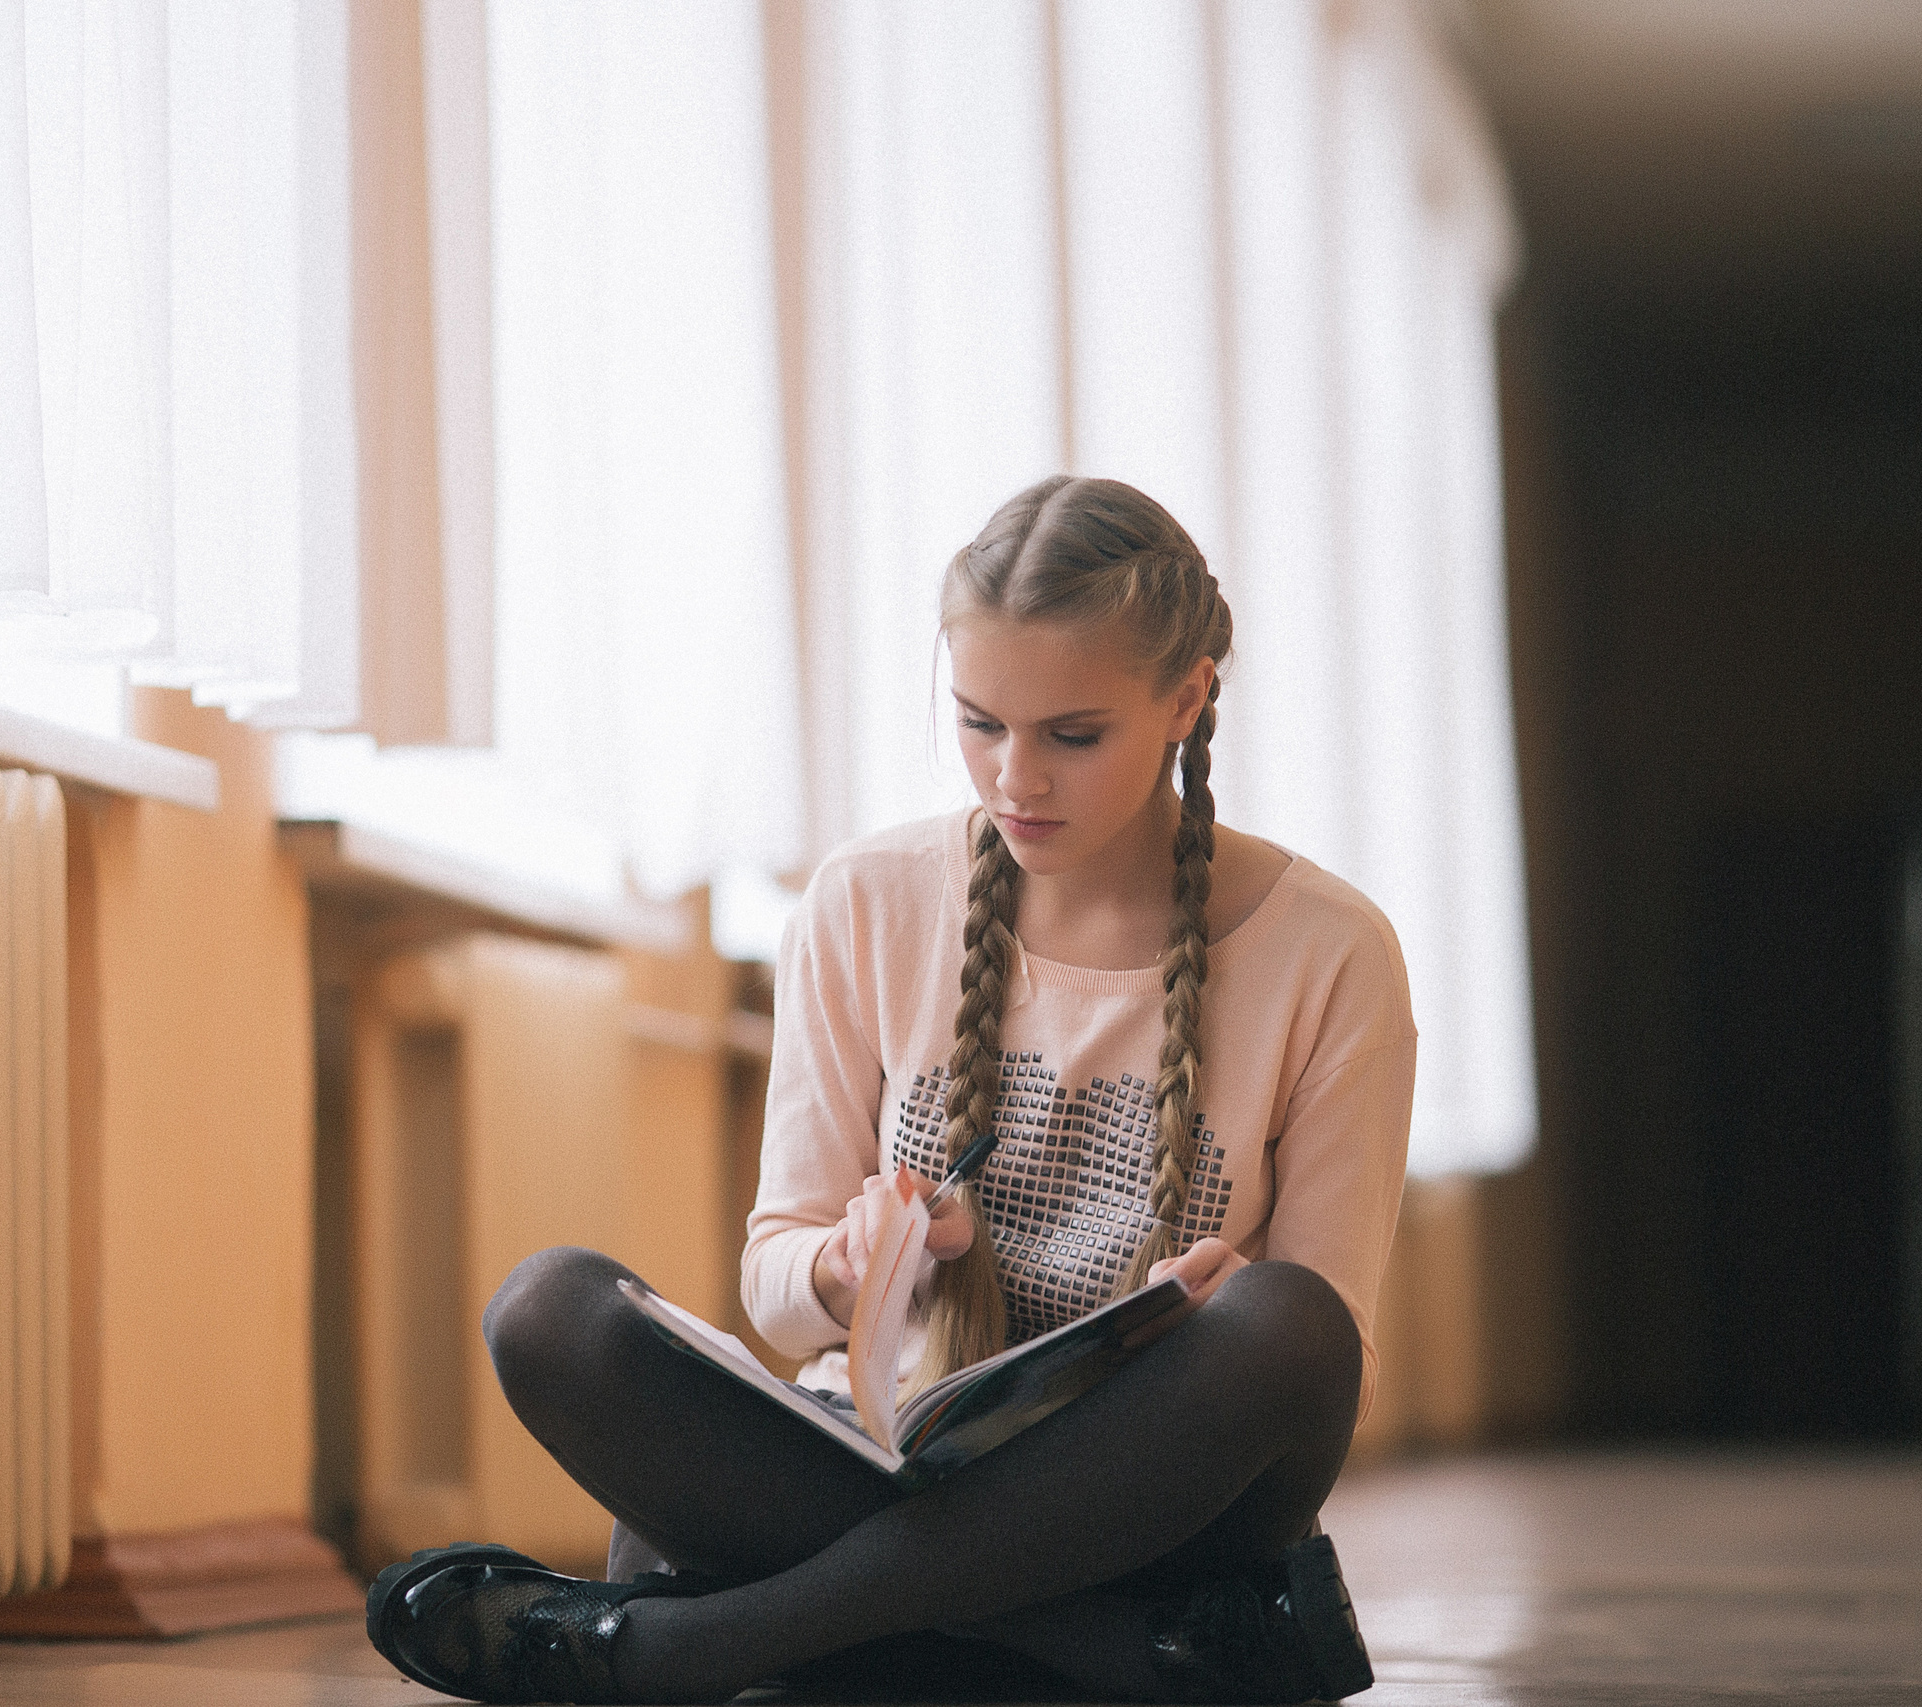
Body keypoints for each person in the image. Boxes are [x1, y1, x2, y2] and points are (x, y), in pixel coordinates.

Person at [365, 476, 1416, 1704]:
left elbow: (1319, 1356)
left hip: (1139, 1508)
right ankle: (1127, 1658)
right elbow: (776, 1284)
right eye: (979, 724)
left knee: (1286, 1325)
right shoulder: (866, 901)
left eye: (1072, 735)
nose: (1013, 779)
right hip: (873, 1463)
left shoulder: (1331, 951)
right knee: (550, 1312)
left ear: (1186, 698)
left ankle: (695, 1643)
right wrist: (848, 1271)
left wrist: (1201, 1320)